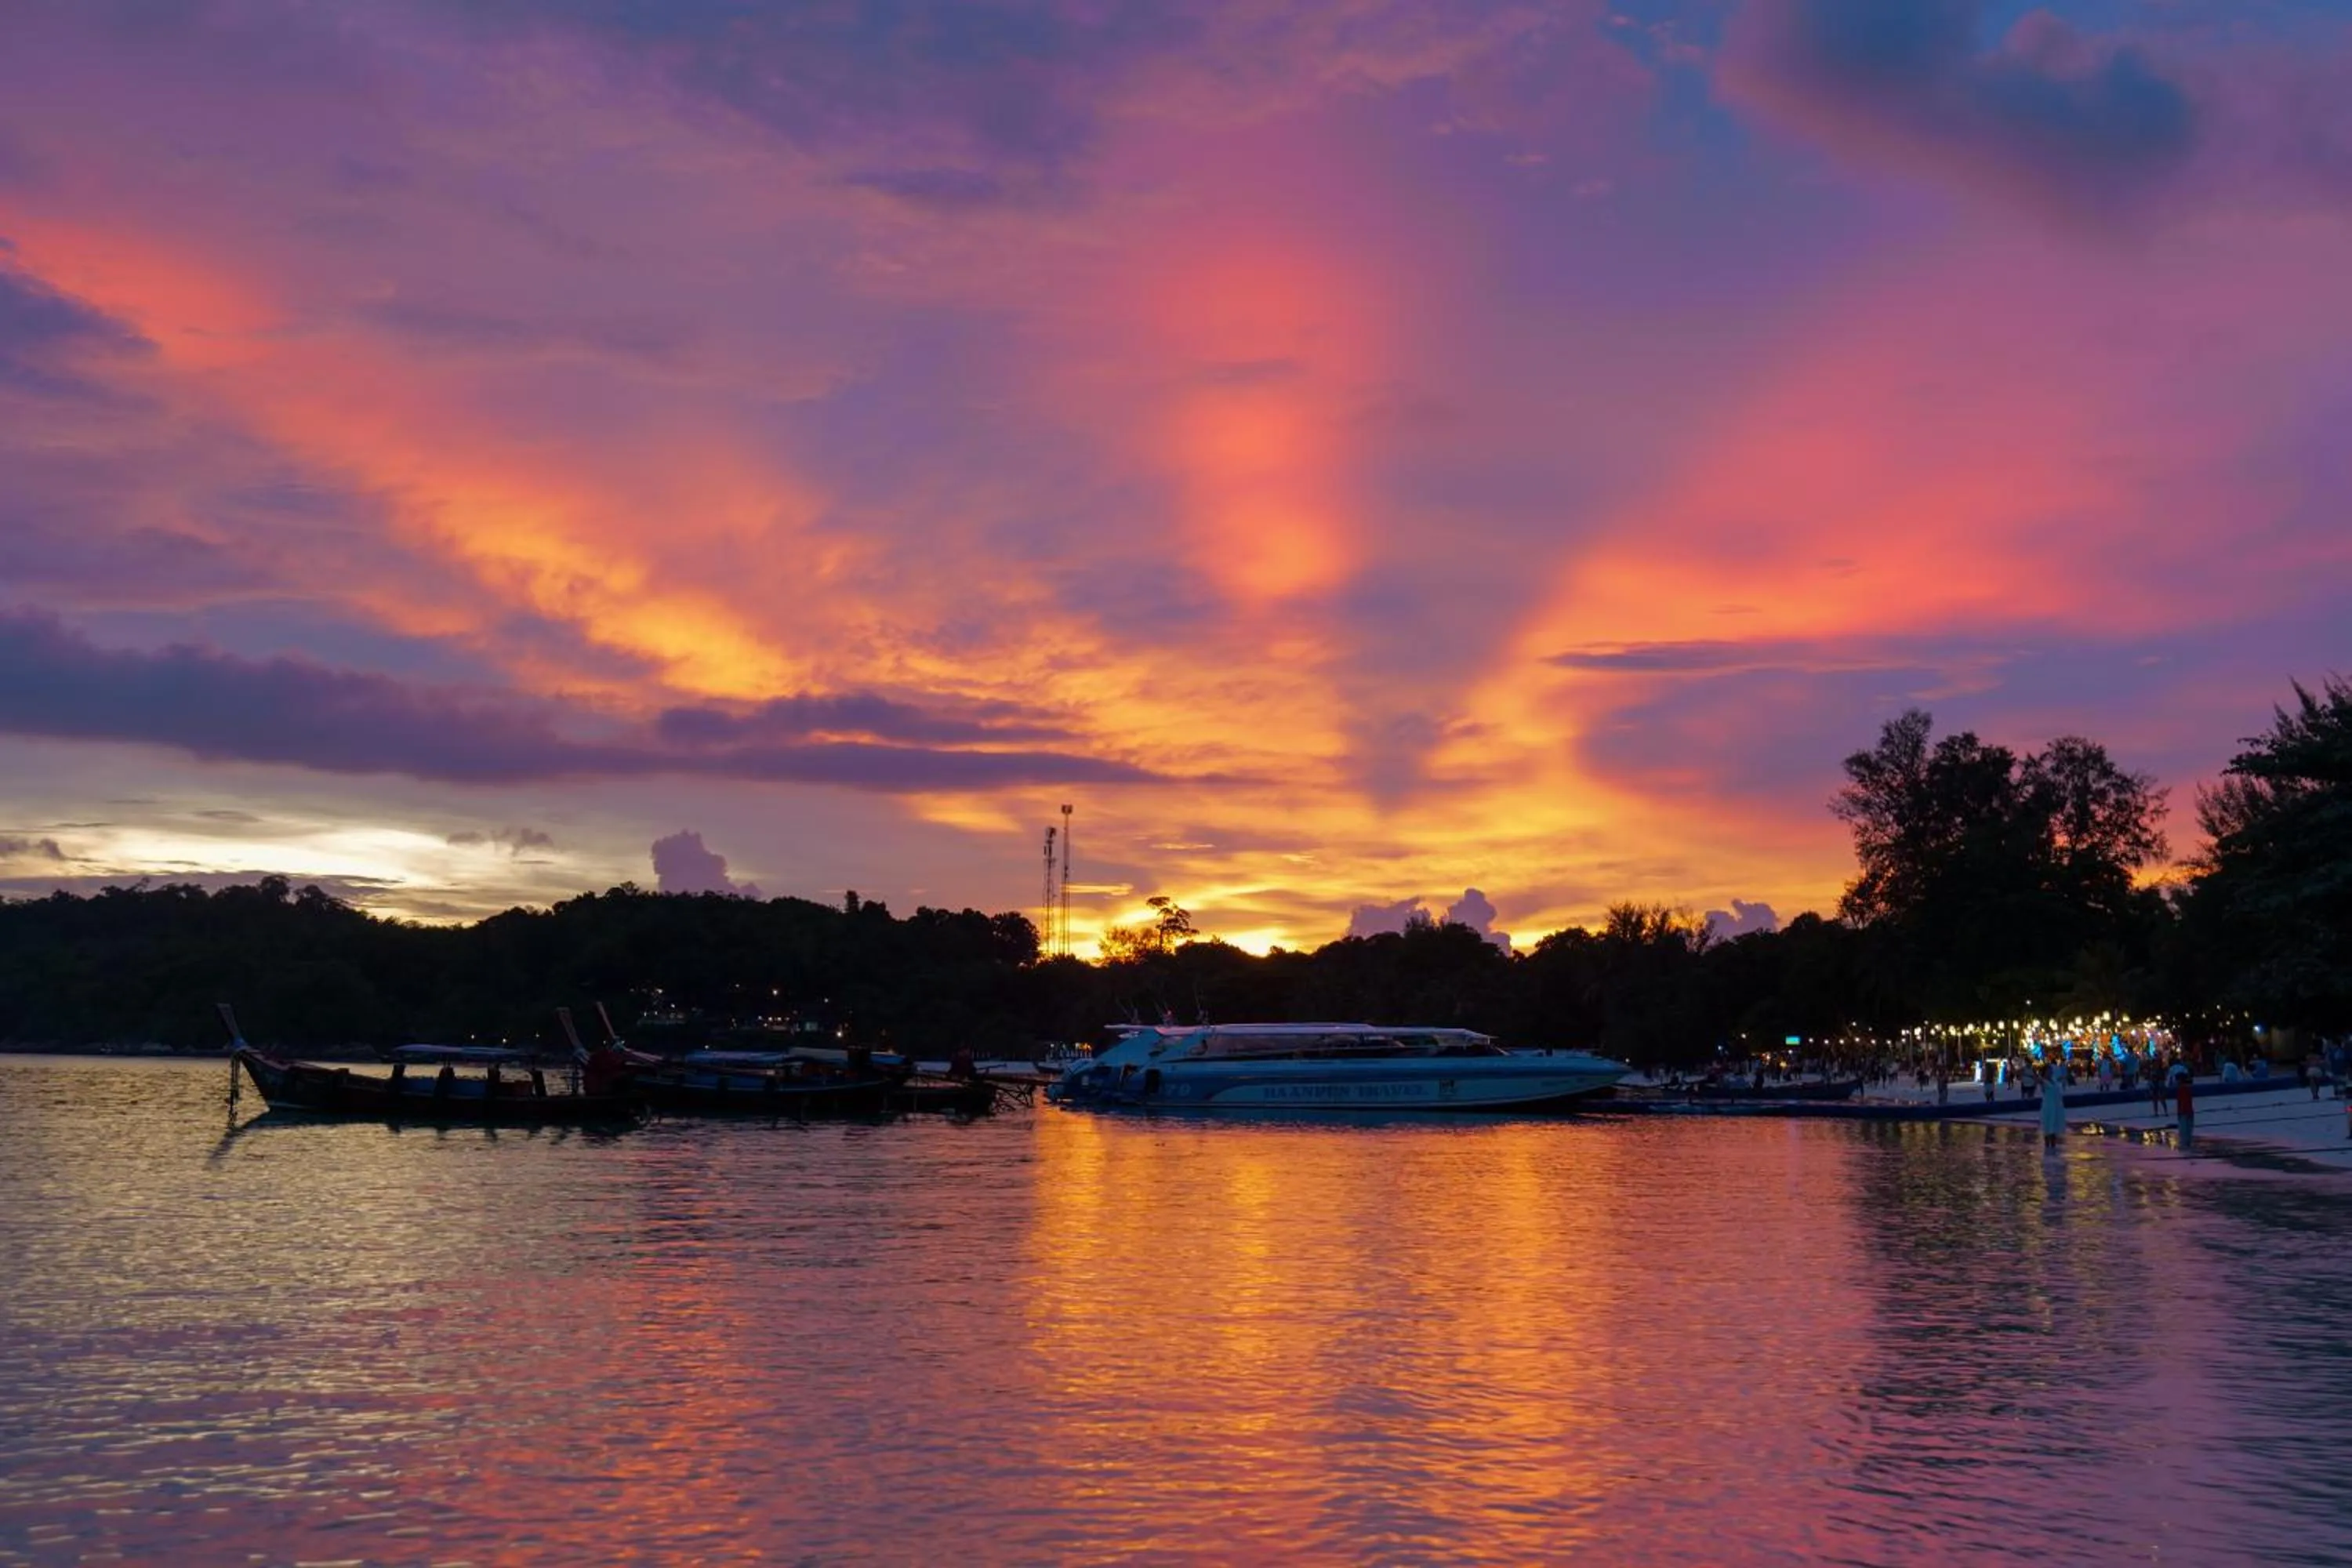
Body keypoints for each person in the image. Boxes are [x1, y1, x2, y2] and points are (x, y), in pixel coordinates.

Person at [2170, 1059, 2195, 1152]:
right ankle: (2188, 1145)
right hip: (2189, 1111)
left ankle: (2185, 1146)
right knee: (2188, 1131)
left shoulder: (2181, 1089)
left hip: (2183, 1112)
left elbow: (2181, 1103)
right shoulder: (2187, 1089)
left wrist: (2179, 1112)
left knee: (2184, 1131)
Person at [2040, 1067, 2067, 1153]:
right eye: (2049, 1071)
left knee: (2054, 1127)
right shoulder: (2043, 1081)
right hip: (2048, 1107)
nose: (2051, 1072)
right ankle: (2047, 1148)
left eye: (2051, 1071)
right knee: (2048, 1127)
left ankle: (2053, 1148)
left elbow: (2059, 1083)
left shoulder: (2054, 1080)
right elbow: (2038, 1081)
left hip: (2056, 1106)